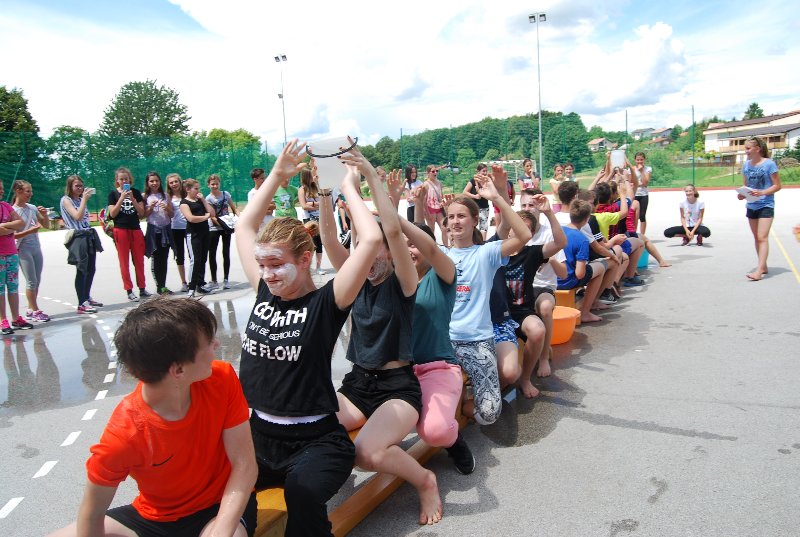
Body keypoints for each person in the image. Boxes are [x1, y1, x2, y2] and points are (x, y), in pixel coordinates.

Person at [236, 140, 381, 537]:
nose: (267, 274)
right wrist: (276, 176)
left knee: (301, 493)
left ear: (304, 260)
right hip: (258, 434)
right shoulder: (264, 292)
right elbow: (244, 227)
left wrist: (348, 184)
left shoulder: (325, 303)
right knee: (224, 489)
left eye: (276, 263)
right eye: (262, 264)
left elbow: (369, 242)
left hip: (315, 441)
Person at [48, 297, 258, 537]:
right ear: (178, 370)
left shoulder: (222, 378)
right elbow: (91, 513)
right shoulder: (124, 434)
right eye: (209, 342)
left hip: (221, 506)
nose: (217, 345)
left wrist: (222, 528)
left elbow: (244, 465)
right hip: (157, 517)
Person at [321, 151, 444, 525]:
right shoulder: (356, 279)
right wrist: (325, 191)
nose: (369, 256)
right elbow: (329, 239)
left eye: (376, 249)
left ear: (391, 254)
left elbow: (391, 230)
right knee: (310, 421)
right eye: (363, 248)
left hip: (397, 388)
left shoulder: (404, 283)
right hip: (358, 384)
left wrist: (366, 178)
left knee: (367, 453)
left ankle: (425, 481)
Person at [389, 175, 473, 474]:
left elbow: (434, 250)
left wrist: (400, 217)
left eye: (414, 245)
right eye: (404, 247)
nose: (409, 251)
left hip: (437, 366)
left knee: (435, 432)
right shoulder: (394, 280)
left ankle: (454, 441)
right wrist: (391, 204)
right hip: (397, 370)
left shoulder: (442, 275)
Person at [443, 171, 531, 426]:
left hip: (477, 340)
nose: (456, 221)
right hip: (444, 340)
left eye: (461, 216)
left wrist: (497, 198)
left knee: (490, 414)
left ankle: (465, 406)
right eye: (451, 217)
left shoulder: (486, 253)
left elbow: (524, 236)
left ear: (474, 221)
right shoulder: (441, 255)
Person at [737, 136, 781, 281]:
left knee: (762, 237)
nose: (746, 151)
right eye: (745, 148)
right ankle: (764, 265)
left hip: (766, 204)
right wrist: (742, 194)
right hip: (751, 205)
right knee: (757, 237)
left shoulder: (769, 164)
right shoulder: (746, 165)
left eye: (748, 148)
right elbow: (746, 186)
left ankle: (759, 270)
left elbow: (777, 186)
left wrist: (762, 192)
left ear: (758, 149)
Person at [61, 175, 104, 314]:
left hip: (88, 234)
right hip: (78, 237)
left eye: (81, 185)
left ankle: (86, 296)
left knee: (91, 268)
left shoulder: (80, 200)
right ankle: (81, 303)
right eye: (76, 186)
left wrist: (83, 200)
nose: (80, 188)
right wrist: (84, 200)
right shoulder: (66, 200)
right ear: (70, 187)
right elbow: (77, 216)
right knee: (81, 269)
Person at [108, 167, 150, 301]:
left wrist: (132, 199)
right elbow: (112, 214)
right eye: (121, 179)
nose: (124, 181)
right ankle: (129, 290)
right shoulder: (113, 194)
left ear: (129, 179)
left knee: (139, 261)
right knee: (124, 261)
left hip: (135, 229)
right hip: (121, 230)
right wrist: (121, 198)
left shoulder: (135, 193)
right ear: (117, 181)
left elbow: (142, 213)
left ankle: (142, 288)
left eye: (126, 179)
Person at [12, 180, 51, 322]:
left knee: (37, 280)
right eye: (28, 191)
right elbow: (12, 235)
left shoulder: (32, 208)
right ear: (18, 191)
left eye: (31, 191)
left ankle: (30, 308)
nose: (31, 194)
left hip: (36, 247)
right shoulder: (13, 211)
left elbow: (46, 225)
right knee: (31, 281)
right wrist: (29, 231)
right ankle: (35, 310)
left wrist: (44, 215)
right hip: (23, 249)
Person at [0, 181, 33, 334]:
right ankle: (3, 320)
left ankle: (15, 318)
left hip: (11, 252)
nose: (1, 191)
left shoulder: (6, 206)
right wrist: (10, 228)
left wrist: (4, 226)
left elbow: (20, 223)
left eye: (2, 188)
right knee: (0, 288)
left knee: (13, 286)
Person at [180, 179, 215, 297]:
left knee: (203, 259)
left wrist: (203, 200)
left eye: (198, 188)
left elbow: (212, 213)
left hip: (205, 233)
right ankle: (191, 287)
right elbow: (191, 218)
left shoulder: (200, 201)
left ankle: (200, 284)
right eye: (195, 188)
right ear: (188, 189)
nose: (198, 191)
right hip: (193, 234)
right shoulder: (184, 203)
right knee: (195, 260)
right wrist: (205, 217)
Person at [142, 171, 174, 295]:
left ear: (160, 182)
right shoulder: (145, 196)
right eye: (152, 181)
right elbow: (143, 215)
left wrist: (167, 208)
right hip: (153, 230)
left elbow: (172, 214)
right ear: (147, 183)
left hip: (165, 229)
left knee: (164, 258)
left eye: (156, 181)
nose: (154, 183)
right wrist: (150, 208)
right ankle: (159, 286)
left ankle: (163, 285)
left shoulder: (165, 195)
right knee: (155, 258)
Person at [206, 174, 238, 289]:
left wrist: (238, 218)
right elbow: (212, 216)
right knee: (212, 253)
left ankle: (226, 279)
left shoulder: (226, 194)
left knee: (226, 252)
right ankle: (214, 280)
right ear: (208, 185)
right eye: (212, 184)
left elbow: (233, 207)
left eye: (217, 183)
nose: (215, 186)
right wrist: (224, 226)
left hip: (226, 226)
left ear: (219, 183)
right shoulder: (208, 199)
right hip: (214, 228)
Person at [297, 168, 325, 274]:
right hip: (308, 219)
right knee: (310, 243)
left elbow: (323, 201)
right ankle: (307, 266)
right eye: (311, 175)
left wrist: (312, 204)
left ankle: (318, 267)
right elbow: (304, 206)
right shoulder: (302, 189)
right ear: (306, 176)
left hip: (319, 218)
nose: (314, 176)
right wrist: (316, 205)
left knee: (319, 243)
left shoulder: (316, 187)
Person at [167, 173, 191, 292]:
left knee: (193, 255)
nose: (174, 184)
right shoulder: (168, 197)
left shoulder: (186, 193)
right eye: (171, 182)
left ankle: (194, 280)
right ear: (168, 185)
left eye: (176, 181)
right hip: (175, 229)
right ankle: (184, 282)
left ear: (180, 182)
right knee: (180, 256)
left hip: (189, 227)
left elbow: (195, 187)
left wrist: (188, 184)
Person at [462, 164, 491, 239]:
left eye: (486, 171)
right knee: (473, 225)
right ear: (478, 171)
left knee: (484, 226)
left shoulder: (487, 182)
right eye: (483, 171)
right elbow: (464, 192)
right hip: (474, 208)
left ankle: (483, 242)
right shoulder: (472, 181)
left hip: (484, 207)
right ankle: (473, 241)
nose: (485, 173)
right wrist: (474, 196)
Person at [423, 164, 448, 245]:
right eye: (433, 171)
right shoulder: (426, 184)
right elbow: (424, 200)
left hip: (439, 208)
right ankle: (432, 247)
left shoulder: (439, 183)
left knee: (444, 228)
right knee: (431, 230)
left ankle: (446, 247)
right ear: (428, 173)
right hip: (430, 209)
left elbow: (441, 196)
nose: (435, 173)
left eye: (436, 171)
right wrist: (426, 212)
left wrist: (442, 202)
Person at [632, 152, 652, 235]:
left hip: (643, 195)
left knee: (642, 216)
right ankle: (633, 233)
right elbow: (631, 182)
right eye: (638, 160)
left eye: (641, 159)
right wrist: (639, 183)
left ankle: (642, 235)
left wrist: (642, 171)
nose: (639, 161)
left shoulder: (648, 169)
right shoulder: (632, 169)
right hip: (634, 194)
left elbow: (646, 183)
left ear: (644, 160)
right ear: (635, 160)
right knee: (633, 216)